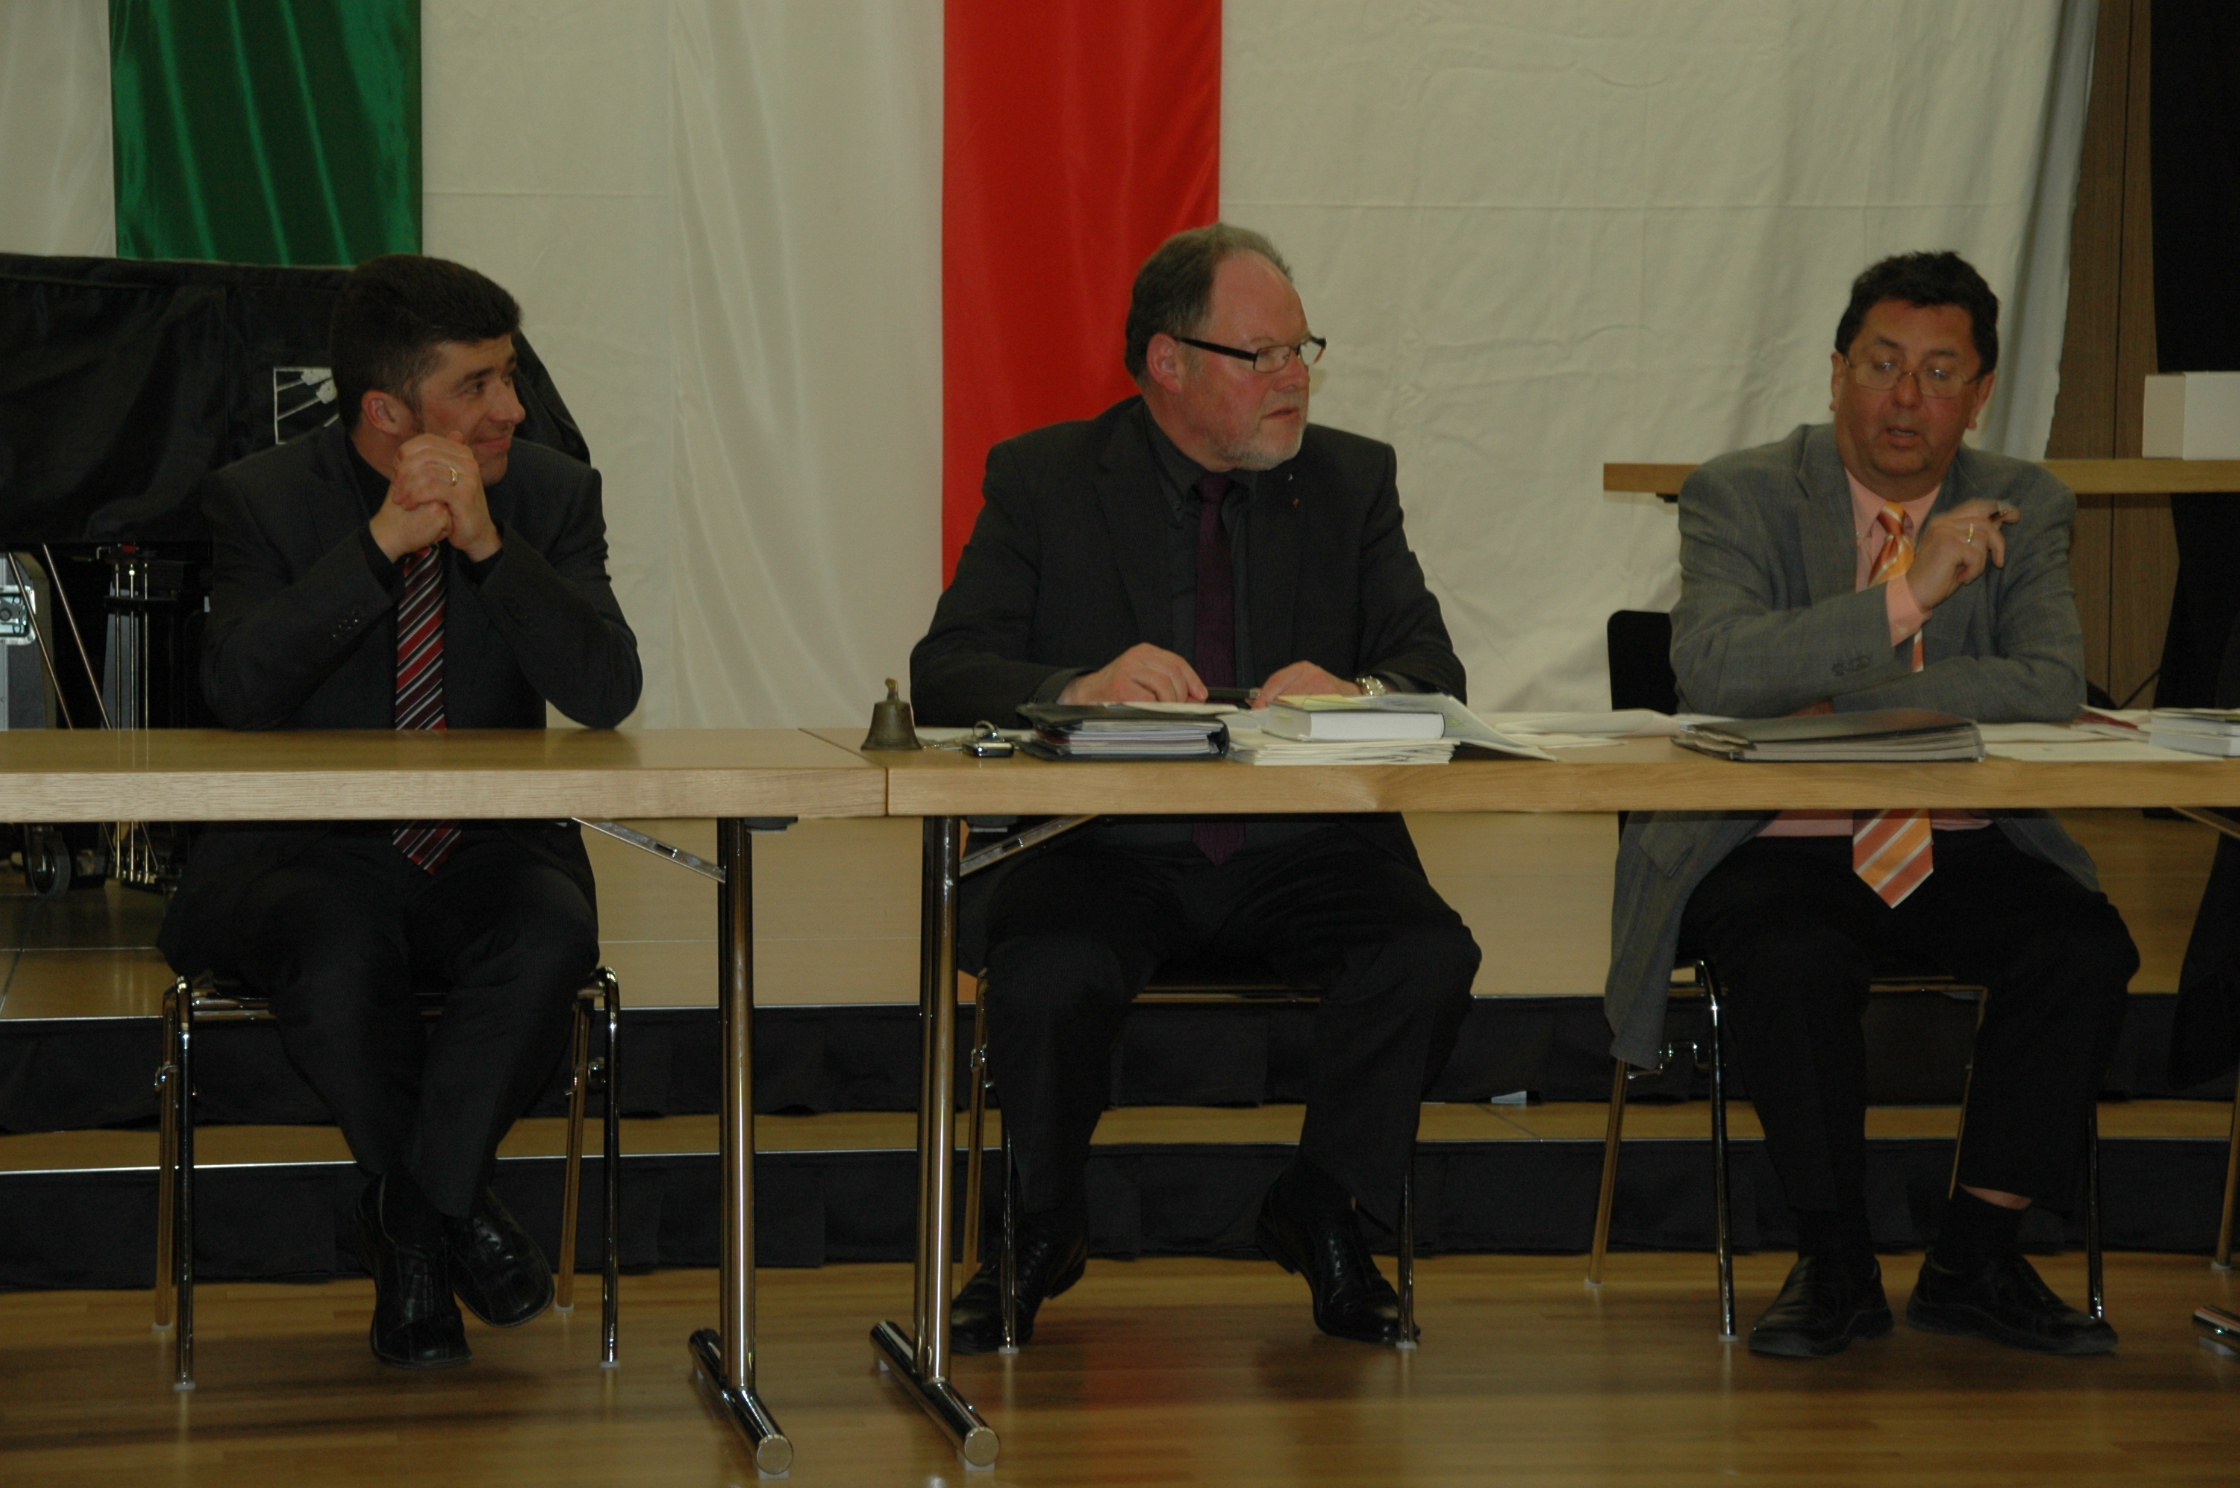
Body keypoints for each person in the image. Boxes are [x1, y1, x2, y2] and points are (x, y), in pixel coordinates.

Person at [911, 223, 1482, 1352]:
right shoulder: (1045, 479)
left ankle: (1323, 1207)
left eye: (1301, 350)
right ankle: (1039, 1226)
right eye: (1261, 355)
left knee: (1425, 957)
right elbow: (949, 670)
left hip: (1305, 849)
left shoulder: (1350, 480)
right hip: (1100, 842)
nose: (1293, 377)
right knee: (1047, 972)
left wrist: (1357, 691)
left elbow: (1434, 674)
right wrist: (1078, 686)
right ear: (1166, 364)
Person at [1605, 251, 2137, 1359]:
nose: (1905, 398)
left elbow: (2047, 681)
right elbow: (1712, 667)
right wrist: (1907, 598)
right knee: (1786, 952)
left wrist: (1824, 689)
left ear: (1979, 394)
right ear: (1836, 372)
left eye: (1939, 373)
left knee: (2082, 945)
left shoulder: (2024, 501)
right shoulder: (1739, 491)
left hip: (1960, 830)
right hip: (1774, 834)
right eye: (1882, 364)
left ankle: (1973, 1258)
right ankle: (1834, 1259)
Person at [158, 254, 642, 1370]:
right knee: (336, 945)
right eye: (477, 385)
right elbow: (237, 690)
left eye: (509, 376)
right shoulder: (263, 498)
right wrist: (379, 546)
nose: (511, 408)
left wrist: (488, 549)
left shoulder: (552, 495)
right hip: (303, 853)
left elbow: (606, 689)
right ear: (386, 412)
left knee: (547, 936)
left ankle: (410, 1223)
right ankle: (443, 1220)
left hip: (487, 847)